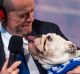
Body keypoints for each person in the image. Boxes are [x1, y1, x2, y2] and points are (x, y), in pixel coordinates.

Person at [0, 0, 80, 74]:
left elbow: (76, 53)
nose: (31, 19)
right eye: (23, 16)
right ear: (2, 15)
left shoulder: (48, 29)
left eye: (32, 11)